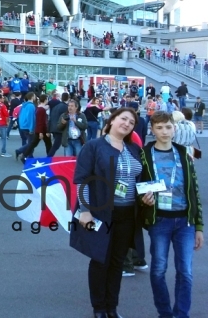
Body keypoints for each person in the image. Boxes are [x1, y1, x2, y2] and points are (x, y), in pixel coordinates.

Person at [70, 107, 149, 318]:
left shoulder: (134, 150)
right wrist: (85, 210)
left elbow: (140, 181)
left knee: (117, 262)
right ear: (112, 120)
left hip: (127, 215)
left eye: (131, 123)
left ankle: (112, 307)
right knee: (100, 260)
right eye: (123, 119)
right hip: (101, 214)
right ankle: (99, 308)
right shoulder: (94, 147)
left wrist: (147, 196)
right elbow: (82, 179)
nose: (126, 124)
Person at [139, 111, 203, 318]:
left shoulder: (185, 153)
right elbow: (138, 186)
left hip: (185, 221)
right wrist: (143, 200)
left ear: (174, 128)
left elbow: (194, 191)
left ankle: (181, 313)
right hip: (160, 221)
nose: (164, 131)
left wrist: (199, 226)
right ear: (152, 130)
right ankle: (165, 313)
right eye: (159, 127)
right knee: (158, 270)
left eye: (168, 127)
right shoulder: (144, 154)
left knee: (185, 271)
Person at [16, 94, 51, 162]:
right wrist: (31, 128)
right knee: (32, 143)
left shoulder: (25, 105)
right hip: (33, 127)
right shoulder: (32, 106)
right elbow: (32, 118)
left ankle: (25, 155)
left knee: (32, 143)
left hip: (24, 125)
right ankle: (23, 153)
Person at [47, 92, 69, 157]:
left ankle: (49, 157)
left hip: (53, 127)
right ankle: (48, 158)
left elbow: (50, 118)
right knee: (56, 145)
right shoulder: (65, 107)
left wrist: (49, 129)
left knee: (56, 145)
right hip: (59, 128)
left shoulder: (56, 107)